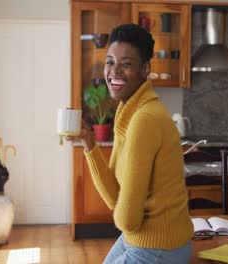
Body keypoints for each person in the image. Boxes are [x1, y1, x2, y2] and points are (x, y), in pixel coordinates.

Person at [67, 24, 193, 263]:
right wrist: (88, 141)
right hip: (140, 238)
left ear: (145, 69)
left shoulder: (144, 119)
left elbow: (127, 219)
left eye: (126, 64)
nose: (114, 71)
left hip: (159, 247)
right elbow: (117, 198)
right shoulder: (131, 112)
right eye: (109, 61)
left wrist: (125, 210)